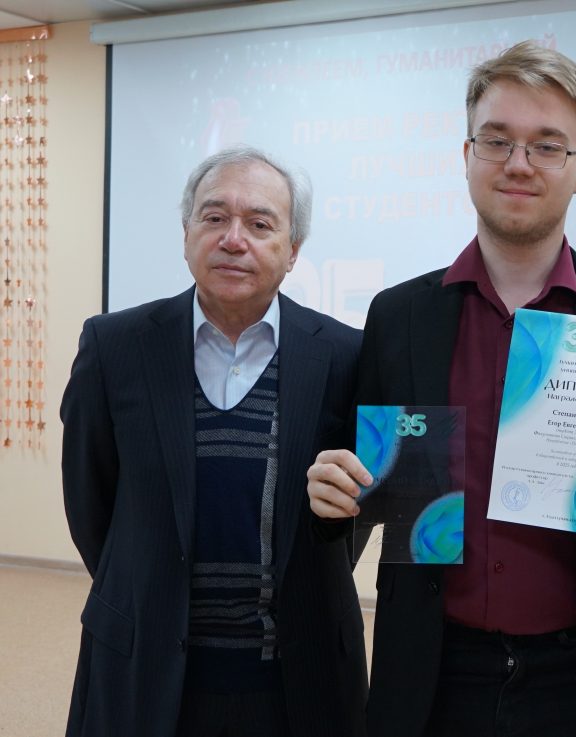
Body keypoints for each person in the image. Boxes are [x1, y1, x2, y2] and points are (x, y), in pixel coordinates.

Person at [306, 40, 576, 737]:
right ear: (467, 155)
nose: (519, 163)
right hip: (433, 671)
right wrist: (332, 493)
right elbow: (363, 492)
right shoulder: (400, 317)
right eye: (497, 140)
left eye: (547, 145)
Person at [61, 146, 367, 737]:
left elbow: (352, 515)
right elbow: (90, 505)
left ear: (293, 250)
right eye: (214, 217)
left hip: (296, 678)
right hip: (145, 668)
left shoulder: (344, 355)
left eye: (260, 224)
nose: (233, 239)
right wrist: (146, 584)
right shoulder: (114, 346)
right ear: (186, 234)